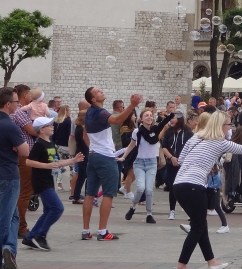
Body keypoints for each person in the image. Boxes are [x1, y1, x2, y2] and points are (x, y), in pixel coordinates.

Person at [174, 110, 242, 269]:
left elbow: (181, 160)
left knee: (200, 224)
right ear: (221, 125)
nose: (230, 128)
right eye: (229, 124)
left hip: (179, 185)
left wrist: (203, 162)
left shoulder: (196, 136)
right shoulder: (220, 142)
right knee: (197, 227)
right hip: (194, 186)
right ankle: (181, 264)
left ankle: (211, 261)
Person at [81, 88, 142, 241]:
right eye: (98, 92)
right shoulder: (100, 112)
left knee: (90, 193)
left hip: (93, 155)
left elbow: (84, 134)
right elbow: (116, 120)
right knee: (108, 193)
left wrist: (93, 147)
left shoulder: (88, 112)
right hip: (105, 157)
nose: (102, 92)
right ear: (93, 99)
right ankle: (102, 232)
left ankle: (85, 230)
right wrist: (131, 105)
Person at [21, 117, 84, 251]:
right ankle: (40, 235)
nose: (52, 126)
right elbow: (29, 162)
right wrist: (45, 165)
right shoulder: (39, 144)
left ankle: (30, 237)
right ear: (42, 129)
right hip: (41, 182)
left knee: (49, 210)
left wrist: (73, 160)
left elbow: (56, 163)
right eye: (49, 125)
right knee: (57, 208)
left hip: (49, 181)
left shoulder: (51, 143)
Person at [122, 107, 175, 224]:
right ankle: (133, 207)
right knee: (141, 188)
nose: (149, 117)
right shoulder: (137, 132)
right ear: (141, 119)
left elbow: (164, 122)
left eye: (151, 115)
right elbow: (131, 146)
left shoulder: (155, 130)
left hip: (151, 163)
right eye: (146, 115)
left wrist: (171, 114)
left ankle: (149, 214)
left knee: (149, 190)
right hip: (139, 163)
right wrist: (123, 157)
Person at [1, 87, 29, 269]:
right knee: (5, 218)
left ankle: (10, 249)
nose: (18, 105)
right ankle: (5, 252)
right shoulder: (10, 126)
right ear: (8, 103)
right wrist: (16, 147)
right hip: (8, 176)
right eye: (16, 102)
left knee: (13, 217)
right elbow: (25, 151)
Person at [12, 84, 34, 240]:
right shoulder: (20, 112)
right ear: (25, 95)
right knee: (25, 192)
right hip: (24, 155)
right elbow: (33, 130)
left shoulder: (18, 111)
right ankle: (21, 226)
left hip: (19, 155)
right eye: (30, 94)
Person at [162, 110, 194, 220]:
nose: (171, 120)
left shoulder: (188, 132)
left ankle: (190, 212)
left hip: (184, 165)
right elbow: (164, 146)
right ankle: (172, 210)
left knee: (185, 188)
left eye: (173, 118)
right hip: (171, 164)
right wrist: (171, 157)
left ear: (179, 119)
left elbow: (192, 147)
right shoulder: (169, 131)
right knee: (173, 187)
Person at [52, 105, 72, 192]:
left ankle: (59, 184)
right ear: (66, 111)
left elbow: (54, 134)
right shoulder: (68, 121)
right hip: (67, 145)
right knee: (71, 164)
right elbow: (69, 134)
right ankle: (71, 184)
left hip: (58, 145)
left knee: (59, 165)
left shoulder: (56, 121)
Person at [71, 107, 89, 204]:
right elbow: (85, 142)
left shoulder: (78, 127)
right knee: (87, 174)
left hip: (80, 151)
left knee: (82, 175)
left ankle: (76, 196)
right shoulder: (82, 129)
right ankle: (87, 195)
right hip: (84, 153)